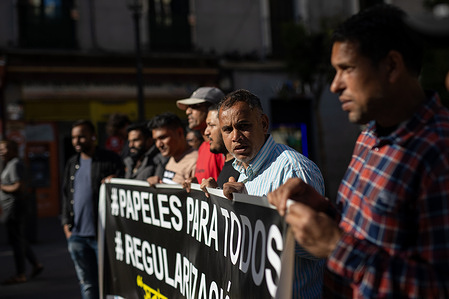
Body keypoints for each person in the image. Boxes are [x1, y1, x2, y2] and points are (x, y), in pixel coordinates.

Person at [267, 4, 449, 298]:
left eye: (347, 69)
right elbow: (371, 234)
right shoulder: (367, 138)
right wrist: (322, 210)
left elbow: (439, 288)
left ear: (391, 66)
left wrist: (337, 247)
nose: (335, 85)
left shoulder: (438, 152)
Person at [219, 89, 326, 298]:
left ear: (264, 124)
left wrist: (254, 210)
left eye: (243, 126)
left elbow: (316, 245)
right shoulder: (242, 169)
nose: (235, 137)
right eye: (227, 129)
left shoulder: (293, 170)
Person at [62, 120, 124, 299]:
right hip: (77, 236)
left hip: (103, 236)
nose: (77, 141)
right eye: (74, 137)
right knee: (87, 284)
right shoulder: (72, 163)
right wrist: (67, 227)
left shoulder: (110, 159)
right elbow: (66, 195)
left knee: (109, 283)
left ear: (93, 137)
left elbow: (125, 186)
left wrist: (116, 180)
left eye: (81, 136)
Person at [0, 140, 43, 284]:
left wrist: (2, 187)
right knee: (18, 239)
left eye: (4, 148)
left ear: (12, 149)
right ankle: (35, 264)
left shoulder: (15, 164)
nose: (1, 151)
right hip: (12, 208)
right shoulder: (10, 164)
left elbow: (18, 186)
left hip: (14, 208)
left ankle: (21, 273)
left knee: (16, 241)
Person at [176, 87, 225, 182]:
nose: (187, 112)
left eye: (195, 106)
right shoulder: (203, 147)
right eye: (187, 107)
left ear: (213, 108)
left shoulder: (222, 148)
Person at [198, 104, 239, 197]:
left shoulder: (242, 168)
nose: (206, 132)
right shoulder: (228, 163)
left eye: (211, 125)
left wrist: (215, 192)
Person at [146, 112, 197, 185]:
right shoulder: (172, 157)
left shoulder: (195, 161)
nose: (158, 144)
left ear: (179, 132)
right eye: (155, 140)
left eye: (163, 137)